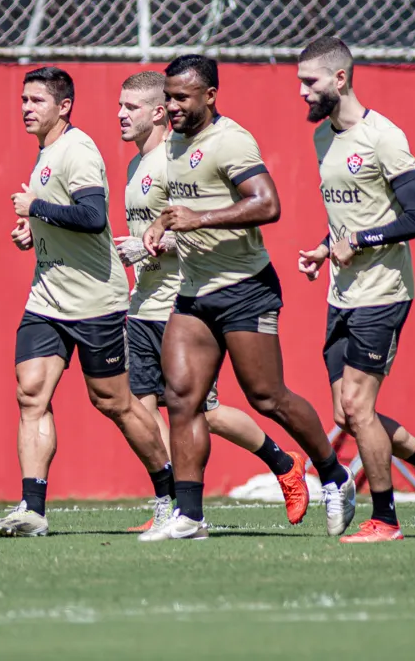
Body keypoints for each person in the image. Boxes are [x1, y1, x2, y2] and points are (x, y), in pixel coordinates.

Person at [139, 55, 356, 542]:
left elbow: (267, 204)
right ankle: (190, 516)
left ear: (210, 96)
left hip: (244, 290)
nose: (170, 106)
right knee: (181, 399)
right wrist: (162, 222)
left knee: (267, 397)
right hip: (193, 293)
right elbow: (180, 205)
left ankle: (332, 473)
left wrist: (200, 218)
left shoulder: (230, 139)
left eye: (180, 98)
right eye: (167, 97)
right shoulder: (174, 141)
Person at [296, 37, 415, 543]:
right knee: (347, 414)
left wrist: (361, 240)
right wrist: (323, 249)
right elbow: (349, 219)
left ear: (340, 79)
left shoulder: (384, 137)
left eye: (310, 83)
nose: (303, 93)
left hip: (384, 291)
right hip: (341, 292)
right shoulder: (322, 139)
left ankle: (386, 520)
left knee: (357, 406)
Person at [113, 71, 308, 532]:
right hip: (142, 302)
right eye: (118, 107)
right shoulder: (133, 167)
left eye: (130, 108)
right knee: (139, 408)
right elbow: (152, 230)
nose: (120, 116)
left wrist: (149, 245)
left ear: (159, 111)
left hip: (178, 301)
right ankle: (169, 502)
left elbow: (195, 229)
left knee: (204, 410)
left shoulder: (173, 160)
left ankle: (283, 464)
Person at [0, 67, 175, 537]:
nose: (26, 108)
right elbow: (63, 214)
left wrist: (36, 208)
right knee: (30, 392)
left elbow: (93, 218)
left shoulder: (79, 150)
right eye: (23, 99)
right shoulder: (48, 152)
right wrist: (35, 230)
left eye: (36, 101)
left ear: (63, 106)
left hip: (95, 300)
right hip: (47, 297)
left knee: (113, 402)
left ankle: (170, 494)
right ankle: (32, 509)